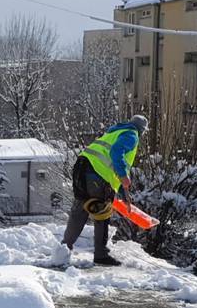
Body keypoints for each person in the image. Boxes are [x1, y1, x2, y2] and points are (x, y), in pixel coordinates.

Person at [61, 114, 148, 267]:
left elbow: (110, 163)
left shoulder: (113, 132)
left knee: (80, 208)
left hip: (81, 168)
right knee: (102, 213)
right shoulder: (131, 135)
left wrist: (121, 192)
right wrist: (123, 175)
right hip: (97, 174)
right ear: (142, 130)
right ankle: (101, 255)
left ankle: (63, 249)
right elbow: (116, 153)